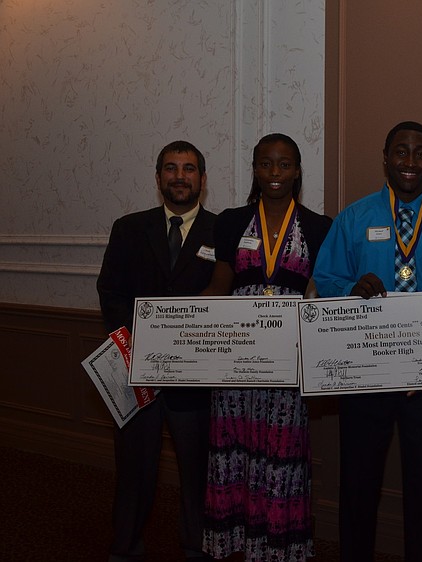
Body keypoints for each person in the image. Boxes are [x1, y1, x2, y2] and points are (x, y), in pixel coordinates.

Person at [312, 121, 422, 562]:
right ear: (385, 157)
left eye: (420, 153)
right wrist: (352, 288)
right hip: (365, 378)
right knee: (358, 484)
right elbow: (324, 279)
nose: (410, 162)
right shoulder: (354, 218)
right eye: (401, 152)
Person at [201, 133, 331, 562]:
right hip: (235, 359)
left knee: (281, 452)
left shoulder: (318, 226)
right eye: (266, 164)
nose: (275, 173)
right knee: (234, 448)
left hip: (288, 363)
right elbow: (221, 285)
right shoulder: (231, 221)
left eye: (285, 164)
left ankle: (277, 547)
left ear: (297, 171)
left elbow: (319, 294)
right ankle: (236, 542)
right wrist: (173, 323)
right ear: (255, 169)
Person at [97, 140, 217, 561]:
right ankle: (126, 544)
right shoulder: (128, 228)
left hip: (196, 381)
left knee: (197, 469)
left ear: (202, 180)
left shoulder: (221, 231)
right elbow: (109, 293)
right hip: (137, 372)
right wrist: (143, 344)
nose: (179, 176)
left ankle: (196, 544)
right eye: (170, 168)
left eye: (188, 169)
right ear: (158, 178)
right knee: (133, 467)